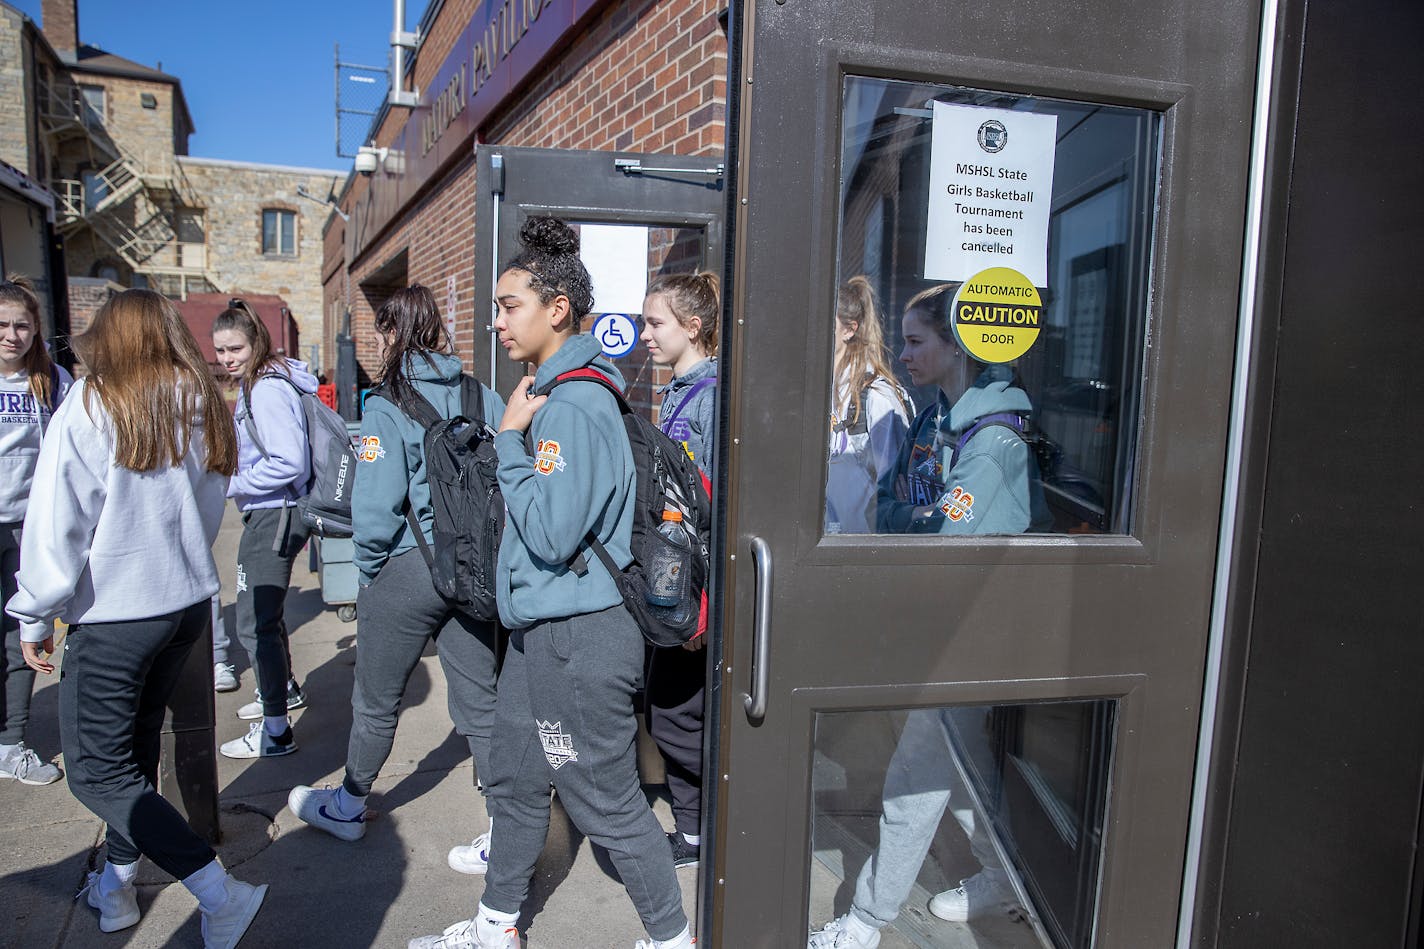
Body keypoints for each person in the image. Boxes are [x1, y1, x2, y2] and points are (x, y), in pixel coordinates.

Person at [411, 217, 691, 949]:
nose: (497, 320)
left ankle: (672, 938)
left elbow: (549, 533)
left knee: (606, 801)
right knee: (514, 780)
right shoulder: (556, 392)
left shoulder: (570, 406)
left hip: (579, 639)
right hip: (542, 638)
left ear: (556, 309)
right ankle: (496, 922)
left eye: (509, 305)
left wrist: (508, 442)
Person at [7, 288, 267, 947]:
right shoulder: (198, 395)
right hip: (181, 606)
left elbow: (57, 518)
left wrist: (35, 611)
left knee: (96, 768)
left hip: (117, 612)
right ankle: (117, 886)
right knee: (133, 754)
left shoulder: (93, 401)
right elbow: (211, 505)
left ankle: (219, 891)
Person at [810, 283, 1044, 948]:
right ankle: (1002, 874)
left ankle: (864, 922)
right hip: (937, 620)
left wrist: (916, 520)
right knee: (962, 762)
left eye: (916, 341)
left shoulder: (992, 437)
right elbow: (892, 508)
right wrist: (918, 519)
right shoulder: (935, 417)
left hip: (969, 630)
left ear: (955, 345)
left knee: (914, 774)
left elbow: (944, 532)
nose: (903, 352)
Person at [288, 285, 505, 863]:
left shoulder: (387, 404)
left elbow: (377, 508)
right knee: (480, 700)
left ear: (393, 333)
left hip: (411, 566)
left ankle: (349, 804)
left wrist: (368, 573)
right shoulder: (482, 394)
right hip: (475, 567)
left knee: (377, 700)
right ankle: (504, 826)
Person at [211, 299, 316, 759]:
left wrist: (235, 483)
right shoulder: (263, 382)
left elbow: (289, 461)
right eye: (220, 351)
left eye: (235, 348)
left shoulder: (266, 390)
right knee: (263, 617)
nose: (227, 358)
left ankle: (276, 729)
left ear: (256, 343)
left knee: (253, 620)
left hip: (276, 513)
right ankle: (283, 693)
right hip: (275, 511)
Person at [640, 271, 720, 870]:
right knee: (670, 710)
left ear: (693, 327)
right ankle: (693, 833)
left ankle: (720, 820)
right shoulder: (679, 389)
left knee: (675, 715)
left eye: (655, 322)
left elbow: (710, 504)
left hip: (692, 586)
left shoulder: (711, 398)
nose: (645, 334)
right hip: (670, 577)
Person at [0, 276, 72, 786]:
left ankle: (11, 743)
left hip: (28, 528)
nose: (11, 335)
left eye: (22, 325)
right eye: (2, 325)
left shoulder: (52, 380)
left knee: (24, 633)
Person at [825, 276, 912, 534]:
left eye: (825, 323)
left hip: (862, 547)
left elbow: (895, 491)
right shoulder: (817, 388)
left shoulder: (876, 395)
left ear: (849, 329)